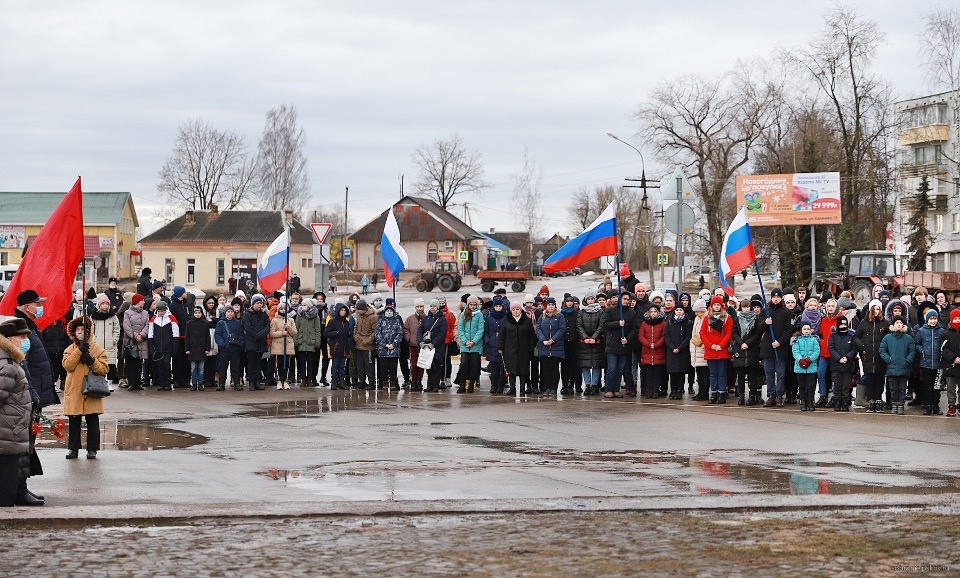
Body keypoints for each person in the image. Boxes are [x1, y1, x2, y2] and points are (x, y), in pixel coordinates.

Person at [0, 316, 35, 506]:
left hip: (10, 431)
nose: (25, 342)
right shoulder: (7, 366)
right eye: (21, 338)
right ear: (9, 338)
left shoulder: (11, 362)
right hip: (7, 432)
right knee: (6, 488)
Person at [62, 316, 108, 460]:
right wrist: (79, 352)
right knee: (74, 421)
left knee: (92, 421)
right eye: (77, 330)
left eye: (83, 329)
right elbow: (67, 365)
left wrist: (91, 360)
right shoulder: (70, 349)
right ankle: (73, 448)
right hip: (75, 390)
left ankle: (92, 449)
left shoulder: (98, 349)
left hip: (92, 390)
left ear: (88, 331)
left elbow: (104, 369)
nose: (80, 332)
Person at [855, 299, 889, 413]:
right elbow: (856, 337)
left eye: (878, 309)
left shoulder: (885, 323)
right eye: (874, 309)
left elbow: (889, 338)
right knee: (870, 379)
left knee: (880, 380)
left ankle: (878, 400)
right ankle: (871, 401)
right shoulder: (864, 323)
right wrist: (862, 346)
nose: (876, 311)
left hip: (880, 357)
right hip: (868, 356)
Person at [701, 296, 734, 404]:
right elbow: (703, 333)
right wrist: (711, 345)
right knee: (713, 374)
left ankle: (721, 393)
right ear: (711, 306)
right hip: (711, 351)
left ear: (721, 306)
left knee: (722, 373)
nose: (716, 306)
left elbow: (729, 333)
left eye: (718, 305)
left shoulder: (727, 318)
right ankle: (713, 393)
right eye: (714, 304)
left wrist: (721, 345)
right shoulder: (707, 318)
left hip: (722, 350)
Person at [498, 301, 535, 396]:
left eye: (517, 309)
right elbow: (501, 335)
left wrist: (531, 348)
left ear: (521, 310)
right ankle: (512, 388)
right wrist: (500, 347)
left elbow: (531, 336)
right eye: (513, 309)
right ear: (511, 310)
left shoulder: (526, 321)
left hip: (524, 350)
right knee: (511, 370)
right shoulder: (506, 321)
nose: (515, 311)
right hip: (509, 350)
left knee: (523, 370)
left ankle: (522, 388)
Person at [880, 317, 915, 415]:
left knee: (902, 388)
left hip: (904, 368)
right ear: (893, 325)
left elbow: (912, 351)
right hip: (892, 367)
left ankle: (901, 405)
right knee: (893, 389)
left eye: (901, 323)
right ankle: (894, 405)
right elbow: (882, 350)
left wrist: (907, 360)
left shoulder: (908, 338)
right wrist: (888, 359)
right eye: (897, 322)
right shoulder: (887, 338)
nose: (899, 324)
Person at [915, 308, 945, 415]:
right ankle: (928, 405)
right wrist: (921, 351)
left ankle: (935, 405)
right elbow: (917, 343)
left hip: (938, 363)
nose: (933, 321)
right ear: (927, 319)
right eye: (931, 318)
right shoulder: (922, 331)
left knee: (936, 386)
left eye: (935, 318)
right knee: (927, 386)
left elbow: (944, 344)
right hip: (926, 363)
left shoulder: (941, 331)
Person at [535, 297, 565, 396]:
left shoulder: (560, 316)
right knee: (546, 369)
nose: (550, 306)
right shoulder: (542, 316)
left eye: (552, 305)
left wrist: (553, 340)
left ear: (555, 306)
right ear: (546, 306)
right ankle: (547, 387)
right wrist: (543, 340)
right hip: (544, 347)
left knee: (554, 369)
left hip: (556, 347)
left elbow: (561, 329)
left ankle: (553, 388)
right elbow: (538, 328)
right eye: (549, 305)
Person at [828, 315, 858, 412]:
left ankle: (845, 402)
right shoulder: (833, 335)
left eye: (845, 324)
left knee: (845, 385)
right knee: (837, 385)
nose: (843, 326)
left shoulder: (851, 335)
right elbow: (831, 348)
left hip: (847, 364)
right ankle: (837, 402)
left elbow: (854, 349)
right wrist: (838, 358)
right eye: (841, 324)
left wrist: (847, 357)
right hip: (836, 364)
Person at [417, 299, 448, 393]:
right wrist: (420, 342)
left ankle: (435, 385)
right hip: (426, 347)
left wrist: (433, 343)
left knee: (436, 366)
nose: (432, 308)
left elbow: (442, 334)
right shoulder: (426, 319)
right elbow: (420, 331)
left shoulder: (442, 319)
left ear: (437, 307)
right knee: (429, 367)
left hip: (437, 347)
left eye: (434, 306)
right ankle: (429, 385)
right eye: (431, 306)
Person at [456, 295, 485, 393]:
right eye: (471, 304)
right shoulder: (464, 313)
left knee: (473, 365)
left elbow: (481, 330)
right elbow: (460, 328)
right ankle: (462, 384)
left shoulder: (480, 314)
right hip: (465, 345)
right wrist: (465, 341)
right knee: (463, 365)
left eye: (474, 304)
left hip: (475, 345)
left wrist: (473, 341)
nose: (472, 306)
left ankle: (472, 384)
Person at [148, 300, 179, 391]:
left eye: (162, 311)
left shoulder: (171, 318)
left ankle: (168, 383)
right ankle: (161, 384)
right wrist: (151, 347)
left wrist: (175, 348)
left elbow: (175, 334)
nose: (161, 312)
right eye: (159, 311)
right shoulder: (153, 319)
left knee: (166, 364)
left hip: (168, 347)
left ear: (166, 310)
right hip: (157, 347)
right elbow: (150, 334)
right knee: (159, 365)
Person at [90, 294, 121, 386]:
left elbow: (117, 329)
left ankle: (109, 383)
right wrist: (94, 340)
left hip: (110, 344)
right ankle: (100, 383)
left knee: (110, 364)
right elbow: (91, 330)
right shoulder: (94, 316)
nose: (105, 306)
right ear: (99, 305)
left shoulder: (113, 316)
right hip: (98, 345)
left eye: (107, 304)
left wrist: (114, 340)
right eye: (103, 304)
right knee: (99, 364)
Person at [121, 294, 150, 391]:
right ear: (137, 301)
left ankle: (138, 382)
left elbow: (147, 325)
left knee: (139, 361)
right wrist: (135, 336)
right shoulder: (127, 313)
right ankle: (131, 383)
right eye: (142, 300)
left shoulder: (145, 313)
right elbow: (126, 326)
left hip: (141, 340)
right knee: (131, 362)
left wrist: (141, 335)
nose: (144, 302)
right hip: (131, 341)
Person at [664, 302, 693, 400]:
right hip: (671, 350)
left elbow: (688, 337)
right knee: (673, 372)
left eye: (680, 310)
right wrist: (672, 347)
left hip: (682, 350)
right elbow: (666, 335)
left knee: (681, 372)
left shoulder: (688, 322)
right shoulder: (670, 321)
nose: (679, 312)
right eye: (677, 310)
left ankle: (680, 389)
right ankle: (673, 390)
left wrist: (680, 348)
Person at [242, 294, 270, 391]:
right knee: (251, 363)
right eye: (258, 303)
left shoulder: (263, 315)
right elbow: (247, 328)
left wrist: (261, 334)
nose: (259, 305)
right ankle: (251, 383)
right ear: (253, 304)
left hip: (261, 342)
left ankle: (257, 381)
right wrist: (257, 334)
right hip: (251, 342)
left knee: (259, 362)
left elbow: (267, 326)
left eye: (261, 303)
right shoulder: (247, 315)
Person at [323, 303, 353, 390]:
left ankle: (342, 381)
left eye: (344, 310)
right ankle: (334, 381)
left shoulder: (346, 322)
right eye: (341, 310)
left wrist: (349, 334)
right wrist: (335, 333)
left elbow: (348, 333)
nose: (343, 312)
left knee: (342, 366)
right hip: (336, 347)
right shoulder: (333, 321)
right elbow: (326, 333)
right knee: (335, 365)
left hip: (344, 348)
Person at [214, 306, 244, 390]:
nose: (230, 313)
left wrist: (240, 344)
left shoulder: (238, 323)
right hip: (225, 349)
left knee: (235, 367)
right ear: (225, 313)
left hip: (235, 349)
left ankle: (236, 383)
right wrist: (223, 344)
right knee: (223, 367)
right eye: (228, 311)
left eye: (231, 311)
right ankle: (221, 384)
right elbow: (217, 335)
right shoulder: (221, 323)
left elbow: (241, 334)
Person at [792, 322, 820, 412]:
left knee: (811, 386)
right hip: (800, 367)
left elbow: (816, 351)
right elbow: (795, 351)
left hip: (811, 367)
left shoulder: (814, 340)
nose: (806, 331)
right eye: (804, 329)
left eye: (808, 329)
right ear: (801, 330)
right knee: (802, 386)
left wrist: (809, 360)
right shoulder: (796, 340)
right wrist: (800, 360)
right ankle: (803, 402)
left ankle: (810, 402)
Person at [374, 303, 404, 390]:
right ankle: (385, 383)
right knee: (383, 368)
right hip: (383, 350)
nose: (389, 312)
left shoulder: (397, 321)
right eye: (387, 311)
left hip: (394, 350)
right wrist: (384, 344)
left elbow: (400, 334)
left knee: (393, 368)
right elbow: (377, 334)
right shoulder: (380, 321)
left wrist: (393, 344)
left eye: (391, 311)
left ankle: (393, 383)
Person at [269, 301, 298, 390]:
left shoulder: (290, 320)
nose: (283, 310)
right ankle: (279, 380)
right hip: (278, 346)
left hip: (288, 346)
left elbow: (294, 333)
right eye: (281, 309)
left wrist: (288, 328)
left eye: (284, 309)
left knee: (287, 364)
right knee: (278, 364)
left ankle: (285, 380)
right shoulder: (274, 320)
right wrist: (282, 333)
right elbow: (272, 333)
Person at [483, 296, 508, 394]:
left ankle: (500, 386)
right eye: (496, 306)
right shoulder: (489, 318)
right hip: (491, 345)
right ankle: (494, 385)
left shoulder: (506, 317)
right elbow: (486, 331)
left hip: (503, 346)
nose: (498, 308)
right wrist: (488, 341)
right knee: (493, 369)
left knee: (502, 369)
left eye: (500, 306)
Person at [939, 309, 960, 417]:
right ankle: (951, 406)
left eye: (959, 318)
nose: (957, 321)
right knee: (951, 388)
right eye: (955, 319)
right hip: (950, 366)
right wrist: (953, 358)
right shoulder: (946, 334)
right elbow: (943, 349)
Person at [184, 306, 211, 391]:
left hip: (202, 349)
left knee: (201, 368)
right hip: (192, 349)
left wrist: (207, 348)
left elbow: (208, 337)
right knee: (193, 367)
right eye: (196, 313)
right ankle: (194, 383)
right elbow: (187, 337)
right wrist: (187, 349)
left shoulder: (205, 323)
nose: (197, 314)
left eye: (199, 313)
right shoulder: (189, 323)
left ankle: (200, 383)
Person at [352, 299, 377, 390]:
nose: (357, 311)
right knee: (360, 365)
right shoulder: (358, 316)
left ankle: (371, 382)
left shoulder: (372, 317)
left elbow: (375, 332)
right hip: (359, 345)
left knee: (369, 365)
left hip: (369, 346)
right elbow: (356, 328)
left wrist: (368, 340)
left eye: (359, 309)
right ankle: (361, 381)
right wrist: (356, 338)